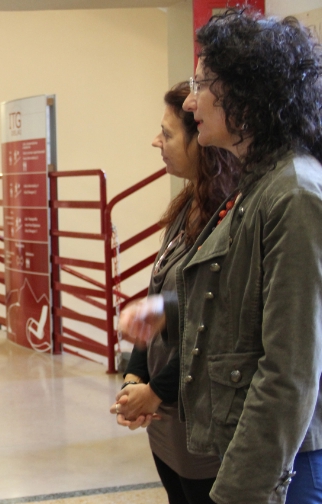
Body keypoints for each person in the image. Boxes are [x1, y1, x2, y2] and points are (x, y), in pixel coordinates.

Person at [120, 10, 322, 503]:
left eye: (201, 84)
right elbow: (237, 304)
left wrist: (237, 491)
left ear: (245, 97)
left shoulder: (293, 193)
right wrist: (167, 311)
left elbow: (289, 373)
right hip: (256, 454)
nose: (191, 100)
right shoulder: (261, 185)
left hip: (285, 464)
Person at [111, 82, 238, 504]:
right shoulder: (188, 205)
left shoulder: (230, 216)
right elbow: (159, 297)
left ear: (201, 140)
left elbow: (213, 321)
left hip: (200, 423)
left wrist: (155, 393)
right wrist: (135, 379)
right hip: (167, 425)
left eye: (167, 133)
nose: (156, 141)